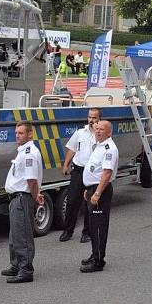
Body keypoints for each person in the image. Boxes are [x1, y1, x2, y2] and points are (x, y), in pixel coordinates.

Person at [2, 121, 44, 283]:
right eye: (16, 132)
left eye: (21, 133)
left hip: (22, 198)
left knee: (23, 235)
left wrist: (35, 196)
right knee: (15, 234)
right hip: (16, 198)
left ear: (30, 134)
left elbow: (31, 180)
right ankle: (16, 265)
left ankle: (26, 270)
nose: (17, 135)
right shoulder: (23, 151)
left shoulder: (29, 153)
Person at [80, 120, 118, 273]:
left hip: (99, 191)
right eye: (97, 129)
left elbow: (107, 173)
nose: (98, 131)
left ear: (109, 133)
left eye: (102, 129)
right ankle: (94, 254)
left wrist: (96, 193)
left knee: (98, 227)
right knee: (92, 224)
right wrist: (88, 189)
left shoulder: (109, 148)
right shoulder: (99, 145)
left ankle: (98, 261)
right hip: (93, 189)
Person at [59, 108, 101, 243]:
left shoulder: (101, 135)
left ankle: (87, 232)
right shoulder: (80, 133)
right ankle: (68, 231)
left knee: (89, 203)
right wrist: (66, 164)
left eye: (94, 118)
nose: (91, 120)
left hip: (92, 172)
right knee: (72, 201)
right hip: (78, 170)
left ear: (99, 119)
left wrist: (97, 133)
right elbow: (72, 149)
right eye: (89, 117)